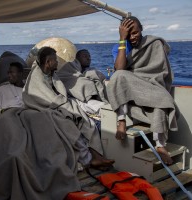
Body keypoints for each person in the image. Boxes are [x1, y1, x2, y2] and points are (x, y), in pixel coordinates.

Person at [23, 46, 114, 170]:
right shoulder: (36, 76)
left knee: (86, 121)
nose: (58, 62)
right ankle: (88, 159)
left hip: (57, 105)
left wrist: (64, 103)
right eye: (55, 60)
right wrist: (61, 103)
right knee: (67, 123)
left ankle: (97, 155)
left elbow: (60, 92)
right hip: (42, 108)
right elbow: (40, 96)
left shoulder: (52, 74)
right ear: (48, 62)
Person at [106, 16, 177, 165]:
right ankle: (121, 120)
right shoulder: (120, 46)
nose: (132, 37)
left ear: (142, 29)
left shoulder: (154, 43)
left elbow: (160, 70)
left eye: (135, 33)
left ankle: (160, 145)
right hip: (131, 89)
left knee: (162, 100)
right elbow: (119, 69)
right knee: (118, 76)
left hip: (151, 85)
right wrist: (122, 40)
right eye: (128, 34)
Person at [57, 49, 108, 121]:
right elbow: (67, 79)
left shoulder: (91, 70)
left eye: (89, 56)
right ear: (77, 58)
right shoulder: (70, 67)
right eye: (85, 56)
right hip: (75, 97)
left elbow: (99, 78)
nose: (88, 58)